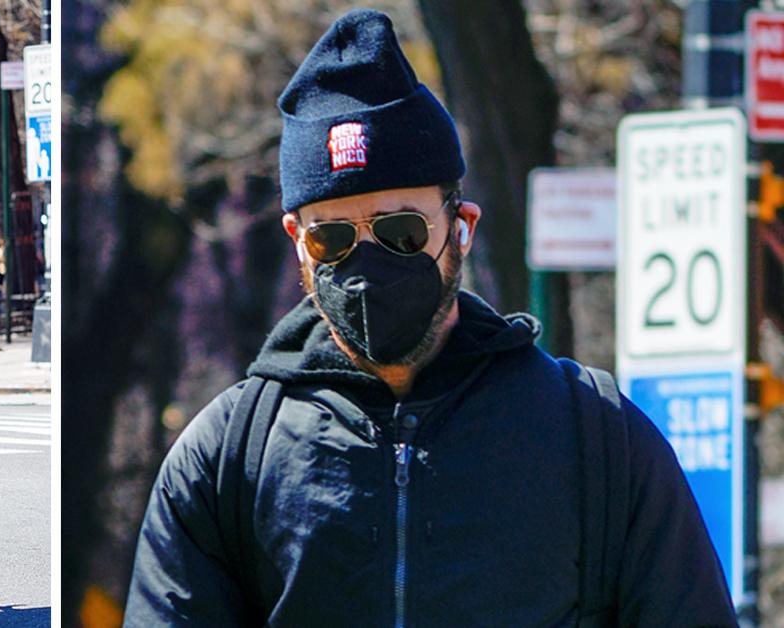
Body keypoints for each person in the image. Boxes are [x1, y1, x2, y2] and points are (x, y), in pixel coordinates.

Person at [124, 9, 737, 627]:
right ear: (296, 242)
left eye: (400, 231)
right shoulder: (227, 458)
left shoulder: (598, 440)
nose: (365, 265)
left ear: (461, 227)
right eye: (331, 238)